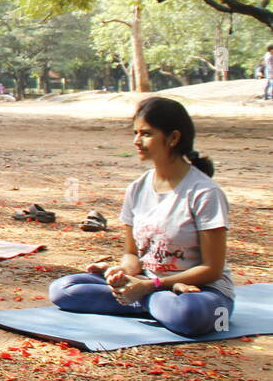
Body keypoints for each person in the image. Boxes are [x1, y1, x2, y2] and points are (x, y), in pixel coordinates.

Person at [49, 98, 233, 338]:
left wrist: (151, 286)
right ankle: (152, 302)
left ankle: (146, 300)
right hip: (149, 282)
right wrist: (120, 272)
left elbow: (212, 269)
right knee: (63, 290)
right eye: (135, 133)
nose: (137, 141)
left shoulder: (205, 193)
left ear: (173, 138)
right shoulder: (137, 188)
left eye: (146, 134)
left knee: (190, 315)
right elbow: (132, 255)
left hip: (200, 293)